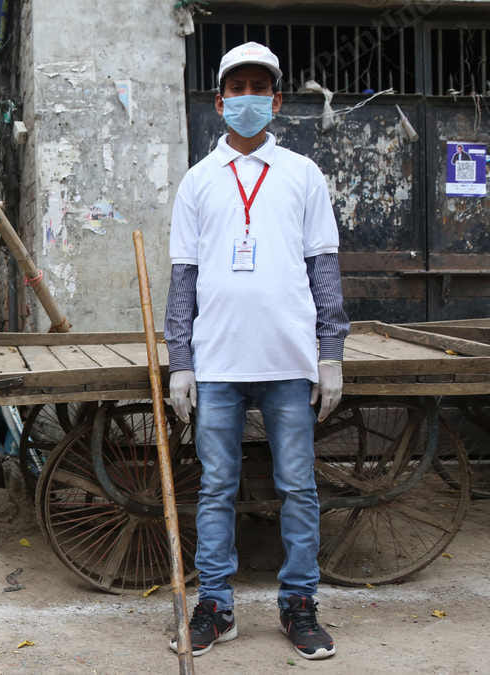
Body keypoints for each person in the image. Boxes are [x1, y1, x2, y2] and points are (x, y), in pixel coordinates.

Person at [164, 42, 349, 661]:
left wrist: (330, 353)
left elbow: (323, 269)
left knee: (298, 487)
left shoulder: (302, 174)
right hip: (217, 364)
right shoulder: (197, 181)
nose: (248, 98)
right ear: (220, 102)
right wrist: (181, 361)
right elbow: (183, 280)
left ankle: (299, 604)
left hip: (288, 363)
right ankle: (215, 606)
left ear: (276, 99)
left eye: (259, 87)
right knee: (216, 487)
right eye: (236, 88)